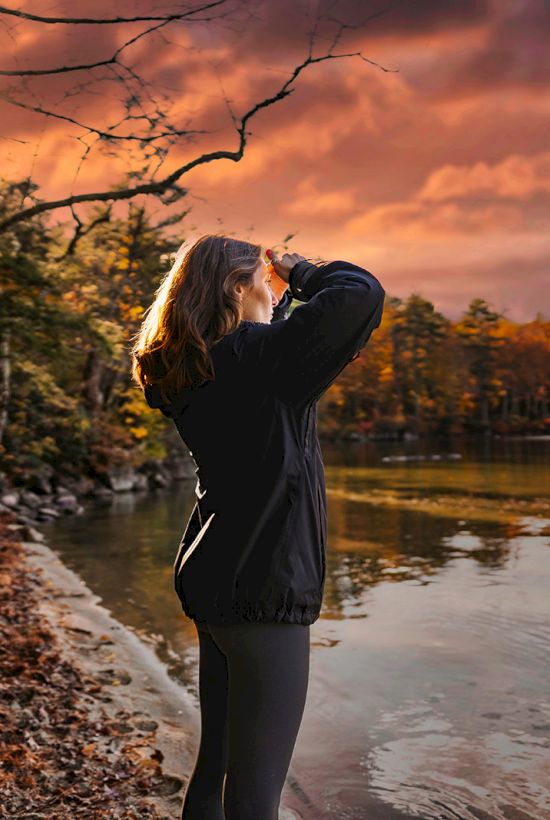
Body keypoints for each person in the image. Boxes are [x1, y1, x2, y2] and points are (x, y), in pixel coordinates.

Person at [131, 234, 385, 819]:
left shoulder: (193, 367)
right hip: (264, 585)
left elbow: (268, 369)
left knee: (215, 766)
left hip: (214, 574)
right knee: (255, 795)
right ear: (236, 287)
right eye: (264, 281)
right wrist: (304, 273)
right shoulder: (260, 361)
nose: (273, 291)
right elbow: (360, 293)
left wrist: (284, 309)